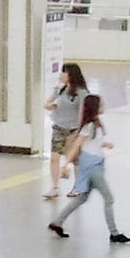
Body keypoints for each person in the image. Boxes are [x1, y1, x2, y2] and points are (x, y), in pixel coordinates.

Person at [48, 94, 130, 244]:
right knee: (108, 198)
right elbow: (77, 145)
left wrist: (104, 144)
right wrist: (65, 164)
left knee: (82, 197)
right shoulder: (90, 126)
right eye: (101, 105)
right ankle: (114, 233)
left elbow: (91, 143)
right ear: (95, 108)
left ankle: (57, 222)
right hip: (92, 167)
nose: (104, 107)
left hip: (95, 163)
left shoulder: (95, 124)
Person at [44, 63, 89, 200]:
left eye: (64, 73)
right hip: (58, 128)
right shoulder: (60, 89)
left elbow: (85, 112)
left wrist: (82, 132)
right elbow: (46, 104)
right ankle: (55, 187)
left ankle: (77, 186)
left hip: (74, 130)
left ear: (71, 75)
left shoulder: (81, 93)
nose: (61, 75)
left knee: (75, 161)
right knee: (54, 157)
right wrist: (50, 106)